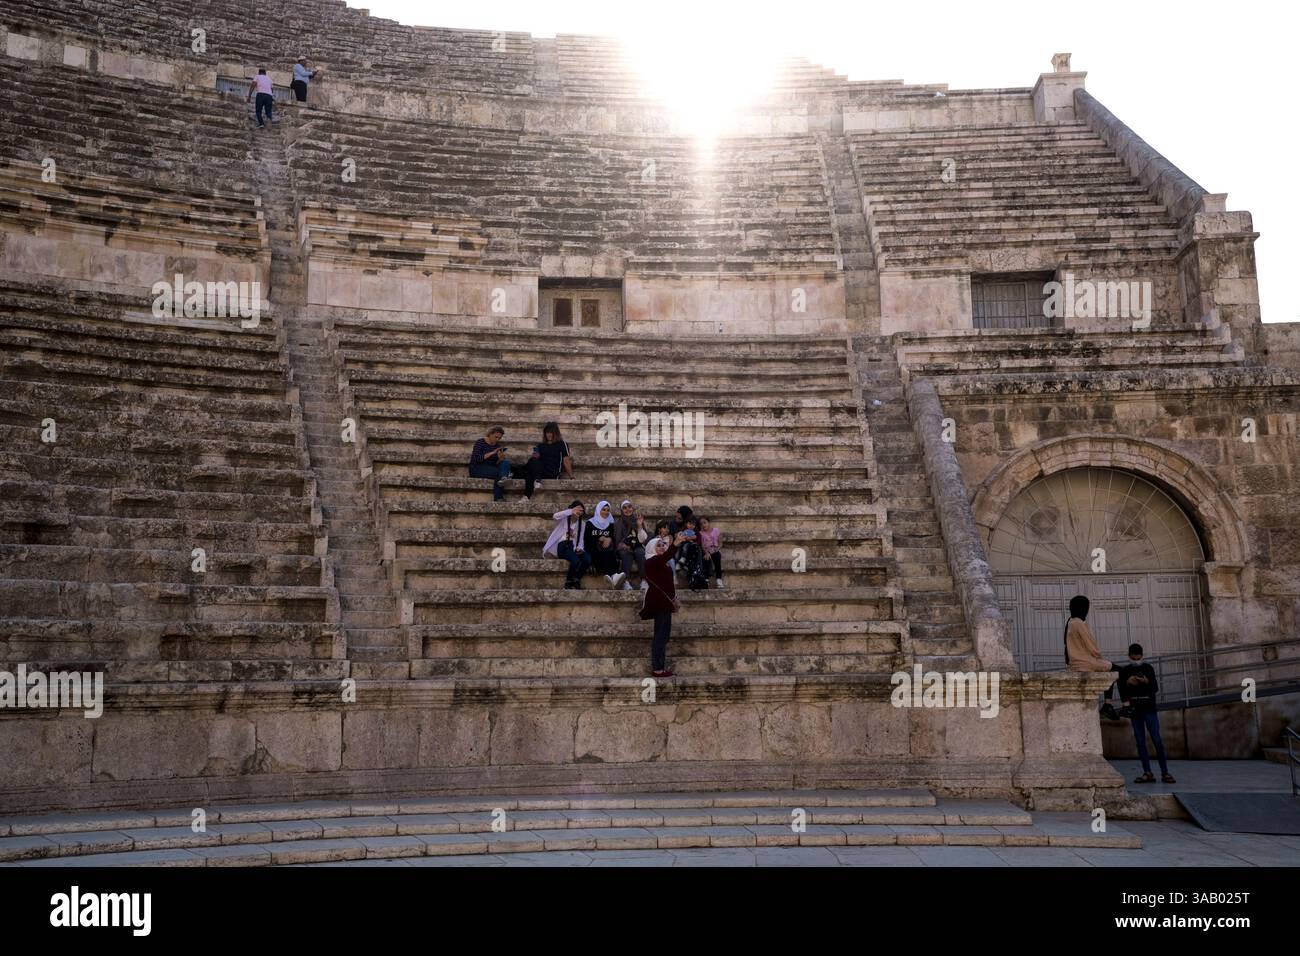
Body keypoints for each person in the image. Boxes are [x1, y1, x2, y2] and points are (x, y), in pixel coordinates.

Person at [1119, 643, 1175, 784]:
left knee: (1157, 740)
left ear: (1142, 656)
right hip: (1135, 711)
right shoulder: (1125, 671)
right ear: (1129, 656)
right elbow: (1122, 691)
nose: (1136, 660)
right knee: (1140, 742)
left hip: (1149, 709)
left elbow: (1155, 688)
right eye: (1134, 657)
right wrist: (1128, 682)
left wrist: (1145, 680)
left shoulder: (1148, 668)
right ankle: (1147, 773)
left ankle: (1165, 772)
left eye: (1138, 657)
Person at [1063, 594, 1123, 719]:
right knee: (1120, 671)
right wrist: (1099, 658)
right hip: (1086, 662)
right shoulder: (1079, 623)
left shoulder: (1070, 622)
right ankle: (1124, 705)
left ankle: (1108, 706)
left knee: (1109, 670)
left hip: (1075, 663)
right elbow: (1091, 644)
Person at [641, 529, 688, 678]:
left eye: (663, 545)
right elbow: (668, 555)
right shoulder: (651, 562)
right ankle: (658, 669)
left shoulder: (662, 563)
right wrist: (675, 544)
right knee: (660, 636)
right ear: (651, 549)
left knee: (664, 636)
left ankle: (660, 667)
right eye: (658, 545)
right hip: (658, 603)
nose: (661, 547)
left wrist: (674, 598)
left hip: (664, 603)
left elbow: (667, 584)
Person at [520, 421, 572, 501]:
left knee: (528, 470)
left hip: (552, 472)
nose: (549, 434)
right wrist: (535, 456)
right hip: (540, 472)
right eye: (547, 432)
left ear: (556, 433)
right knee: (532, 462)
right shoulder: (540, 446)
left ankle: (529, 492)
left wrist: (571, 476)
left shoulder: (562, 444)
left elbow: (566, 460)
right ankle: (527, 496)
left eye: (551, 432)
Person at [543, 499, 589, 589]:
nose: (579, 512)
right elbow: (555, 516)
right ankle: (568, 583)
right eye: (577, 509)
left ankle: (576, 579)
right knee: (575, 561)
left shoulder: (582, 524)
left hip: (574, 547)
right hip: (563, 546)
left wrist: (580, 548)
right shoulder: (564, 519)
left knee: (587, 559)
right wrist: (571, 511)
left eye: (581, 510)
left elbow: (581, 539)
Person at [586, 500, 625, 588]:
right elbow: (587, 541)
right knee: (606, 553)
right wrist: (599, 539)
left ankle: (612, 578)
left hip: (608, 551)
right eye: (603, 510)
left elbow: (615, 539)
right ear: (598, 510)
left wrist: (609, 539)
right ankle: (614, 575)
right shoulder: (590, 523)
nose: (606, 512)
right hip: (594, 552)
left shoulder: (611, 524)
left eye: (608, 510)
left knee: (609, 552)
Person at [468, 426, 512, 502]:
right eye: (496, 437)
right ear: (490, 434)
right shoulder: (480, 442)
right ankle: (499, 497)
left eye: (499, 438)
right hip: (476, 468)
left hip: (490, 469)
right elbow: (477, 459)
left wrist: (500, 459)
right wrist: (492, 453)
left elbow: (495, 463)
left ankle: (503, 479)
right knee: (500, 474)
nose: (497, 439)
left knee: (505, 462)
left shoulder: (497, 446)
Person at [613, 500, 648, 590]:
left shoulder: (638, 520)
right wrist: (623, 545)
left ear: (632, 508)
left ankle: (644, 580)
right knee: (626, 554)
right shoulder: (618, 524)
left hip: (637, 546)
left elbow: (643, 540)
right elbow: (617, 541)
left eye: (629, 507)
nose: (627, 509)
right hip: (623, 548)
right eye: (624, 508)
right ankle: (626, 582)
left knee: (640, 552)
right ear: (621, 510)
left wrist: (639, 526)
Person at [699, 515, 724, 588]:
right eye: (701, 524)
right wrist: (706, 553)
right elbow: (702, 545)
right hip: (707, 551)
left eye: (705, 522)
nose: (703, 525)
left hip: (715, 550)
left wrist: (715, 550)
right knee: (706, 559)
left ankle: (719, 579)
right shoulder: (701, 533)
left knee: (717, 557)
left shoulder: (716, 530)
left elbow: (720, 543)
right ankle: (706, 580)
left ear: (708, 522)